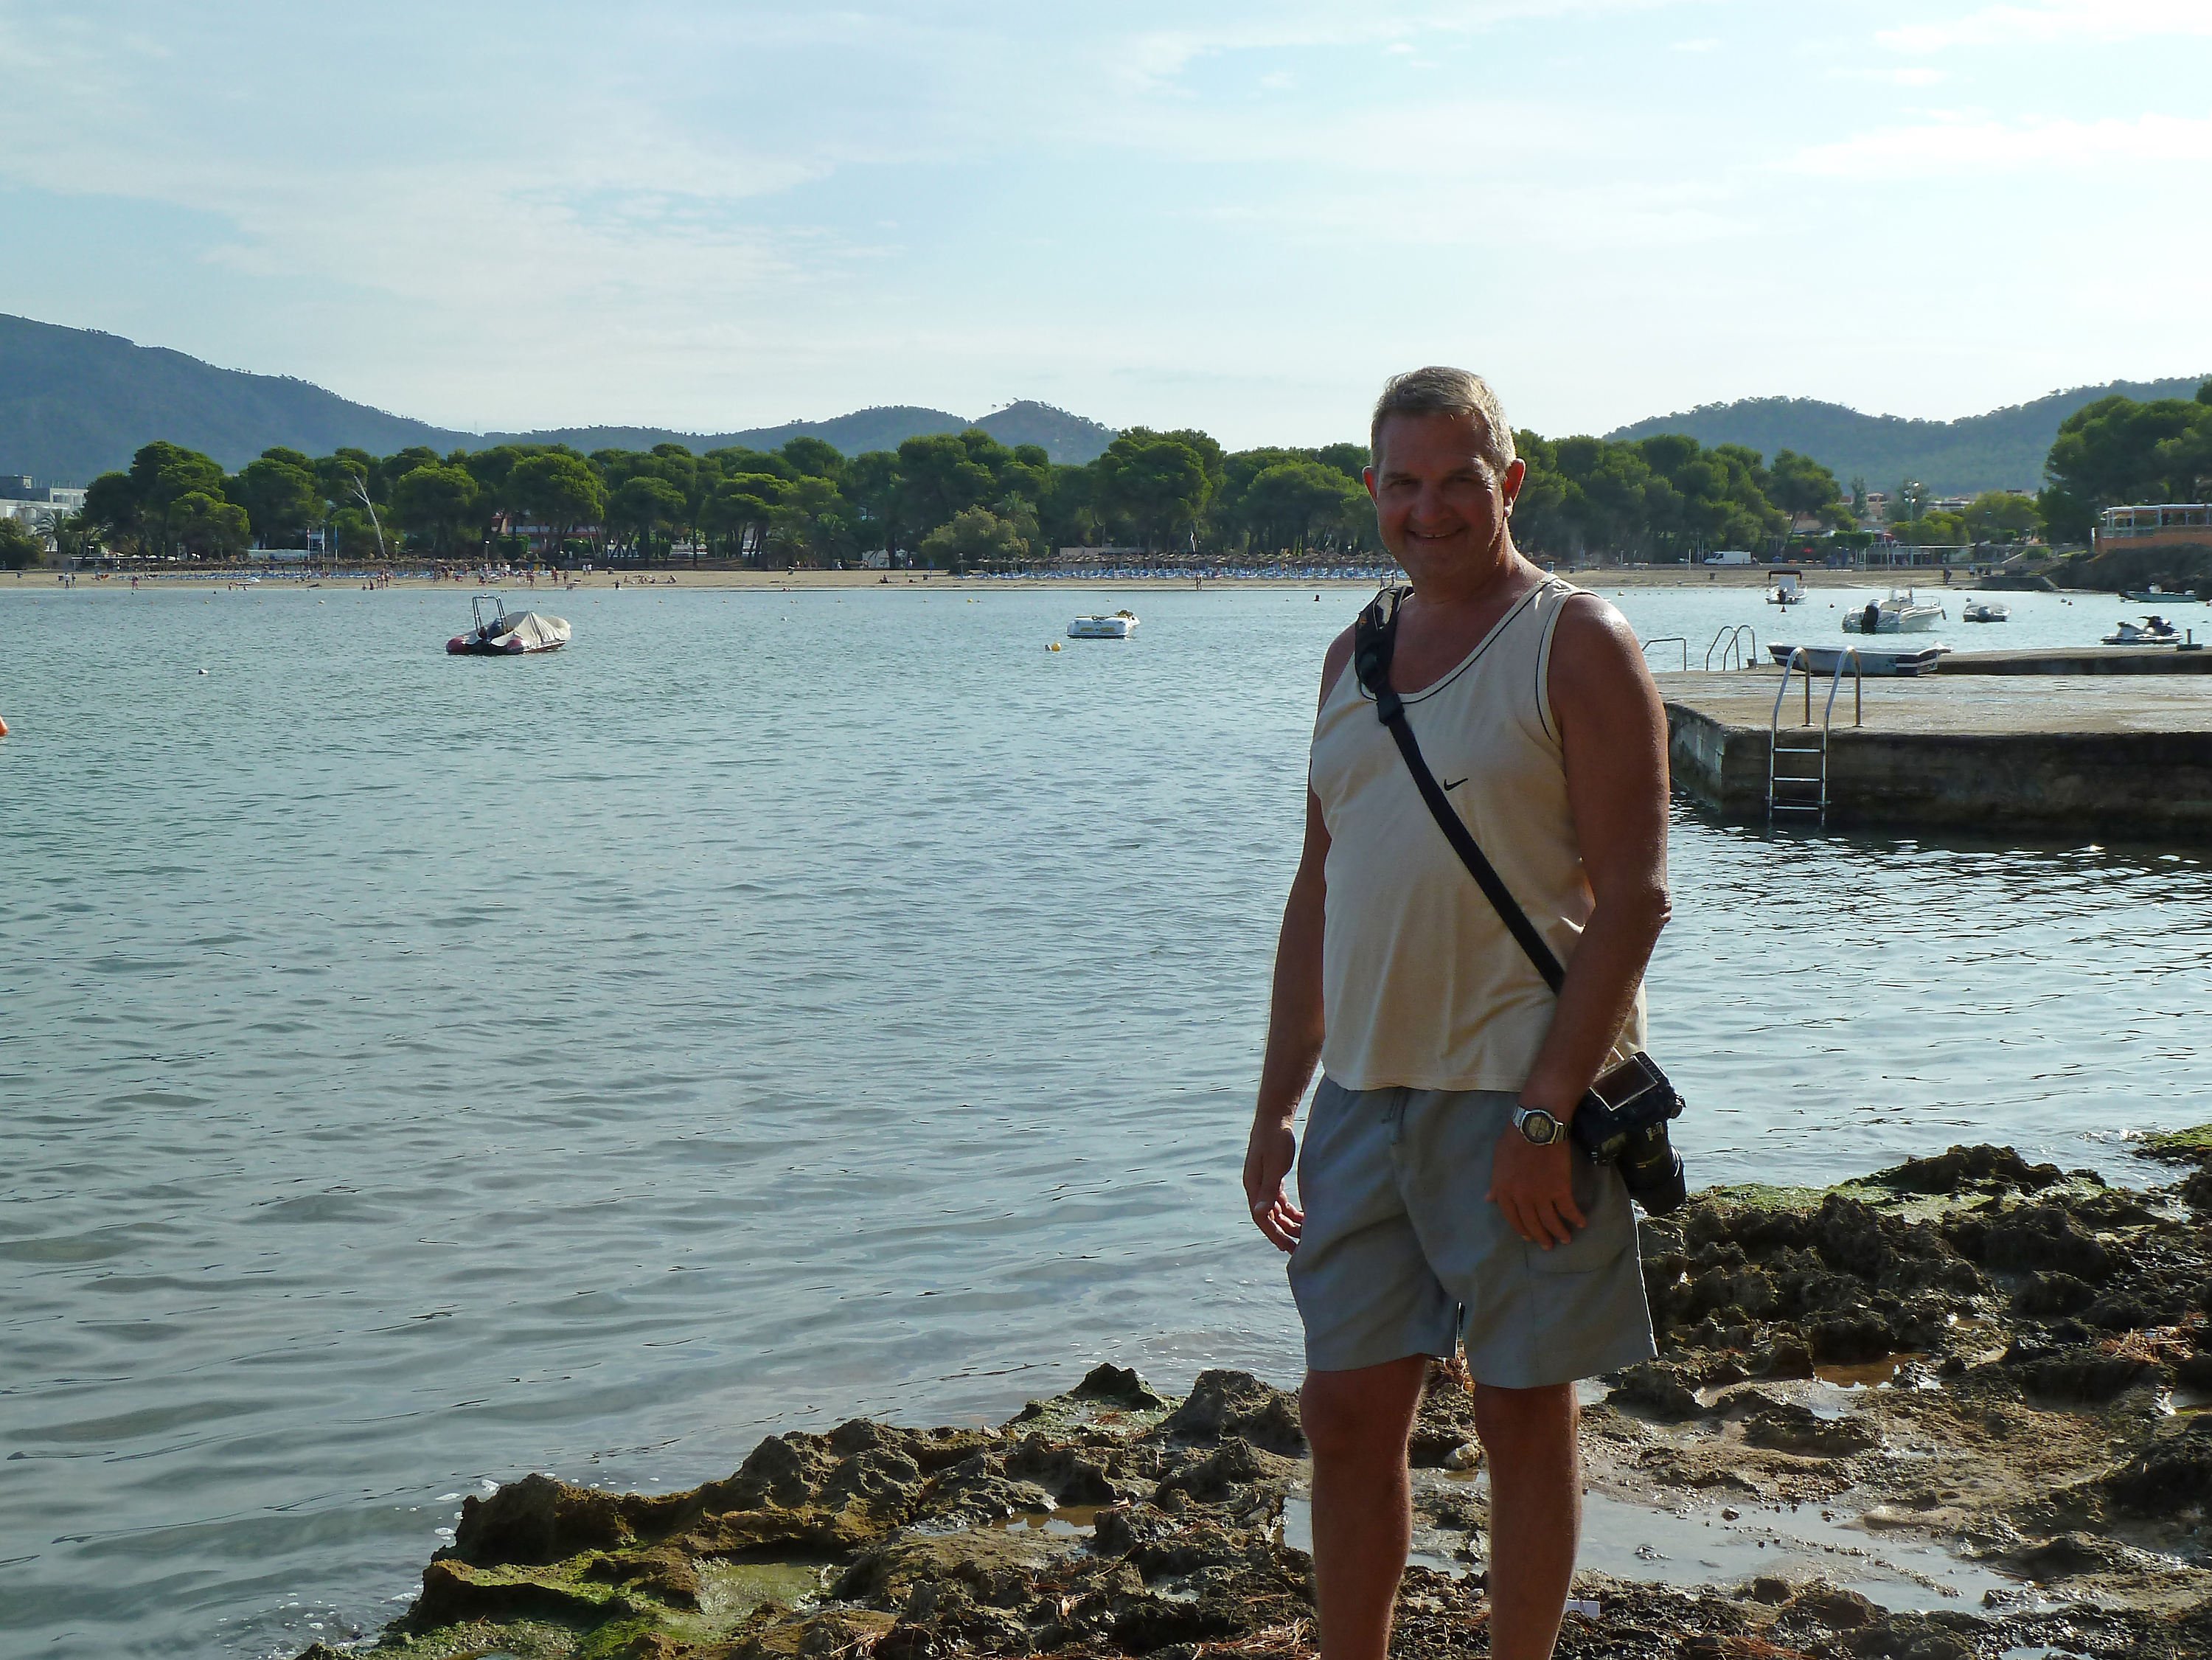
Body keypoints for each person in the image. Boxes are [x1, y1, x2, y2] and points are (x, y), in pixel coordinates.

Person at [1243, 367, 1671, 1660]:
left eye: (1456, 480)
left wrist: (1543, 1116)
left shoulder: (1576, 641)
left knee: (1521, 1418)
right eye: (1402, 483)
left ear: (1510, 481)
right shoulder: (1354, 654)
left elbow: (1636, 899)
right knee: (1343, 1417)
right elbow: (1320, 889)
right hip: (1364, 1100)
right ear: (1372, 489)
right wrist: (1276, 1106)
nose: (1428, 509)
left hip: (1520, 1099)